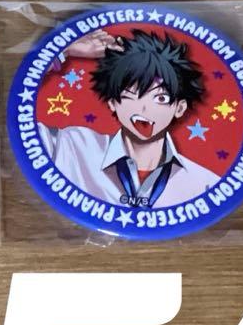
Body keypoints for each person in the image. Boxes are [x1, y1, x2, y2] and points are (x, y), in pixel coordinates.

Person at [39, 28, 220, 209]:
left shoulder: (205, 185)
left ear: (179, 108)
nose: (143, 109)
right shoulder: (73, 146)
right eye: (130, 95)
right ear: (113, 102)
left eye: (160, 98)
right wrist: (63, 51)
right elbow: (23, 123)